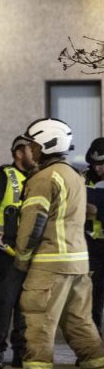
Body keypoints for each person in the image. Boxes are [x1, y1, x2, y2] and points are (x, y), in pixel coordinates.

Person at [1, 118, 104, 369]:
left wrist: (21, 260)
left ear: (45, 144)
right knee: (80, 323)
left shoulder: (44, 178)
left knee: (38, 322)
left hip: (50, 264)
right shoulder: (72, 174)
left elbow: (33, 224)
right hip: (78, 264)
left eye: (32, 144)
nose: (29, 150)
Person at [0, 135, 34, 369]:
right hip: (6, 248)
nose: (34, 152)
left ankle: (21, 352)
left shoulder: (38, 176)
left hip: (30, 250)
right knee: (3, 302)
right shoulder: (4, 174)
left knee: (26, 305)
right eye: (30, 149)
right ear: (18, 153)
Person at [83, 137, 104, 336]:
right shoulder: (82, 179)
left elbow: (91, 208)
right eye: (95, 164)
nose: (98, 169)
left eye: (102, 164)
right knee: (92, 300)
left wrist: (96, 209)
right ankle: (93, 345)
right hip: (90, 246)